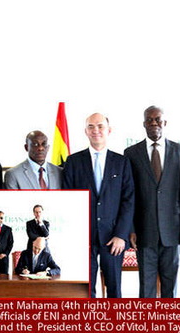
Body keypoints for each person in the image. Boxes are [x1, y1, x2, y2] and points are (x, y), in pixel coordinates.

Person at [63, 113, 134, 298]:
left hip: (113, 238)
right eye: (91, 126)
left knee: (114, 289)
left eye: (100, 126)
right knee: (84, 290)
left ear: (109, 130)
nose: (96, 130)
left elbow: (128, 200)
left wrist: (121, 235)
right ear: (85, 131)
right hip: (83, 238)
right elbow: (68, 201)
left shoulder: (122, 162)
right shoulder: (73, 161)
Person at [124, 106, 180, 298]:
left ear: (165, 123)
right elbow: (130, 195)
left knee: (171, 285)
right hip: (144, 231)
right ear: (144, 124)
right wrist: (132, 228)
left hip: (173, 230)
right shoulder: (131, 153)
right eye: (149, 120)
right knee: (146, 286)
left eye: (158, 119)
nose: (154, 123)